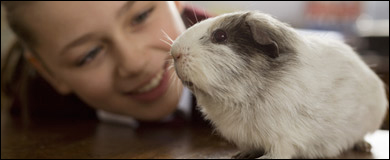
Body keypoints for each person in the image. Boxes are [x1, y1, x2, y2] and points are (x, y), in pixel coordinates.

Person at [1, 1, 209, 126]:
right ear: (49, 74)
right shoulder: (34, 112)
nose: (134, 63)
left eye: (141, 16)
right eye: (89, 54)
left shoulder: (238, 50)